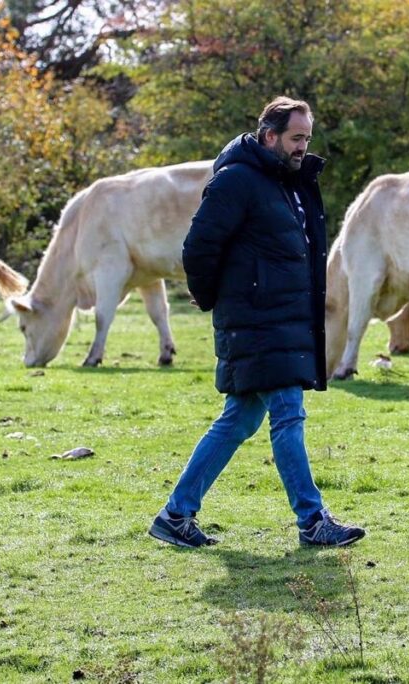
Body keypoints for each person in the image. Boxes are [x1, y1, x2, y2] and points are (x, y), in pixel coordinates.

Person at [149, 96, 365, 548]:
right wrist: (219, 304)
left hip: (280, 321)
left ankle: (175, 515)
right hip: (257, 322)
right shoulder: (237, 182)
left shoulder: (285, 182)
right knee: (288, 412)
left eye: (307, 137)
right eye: (295, 137)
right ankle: (312, 520)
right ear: (270, 136)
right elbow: (197, 249)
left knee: (239, 420)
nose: (303, 146)